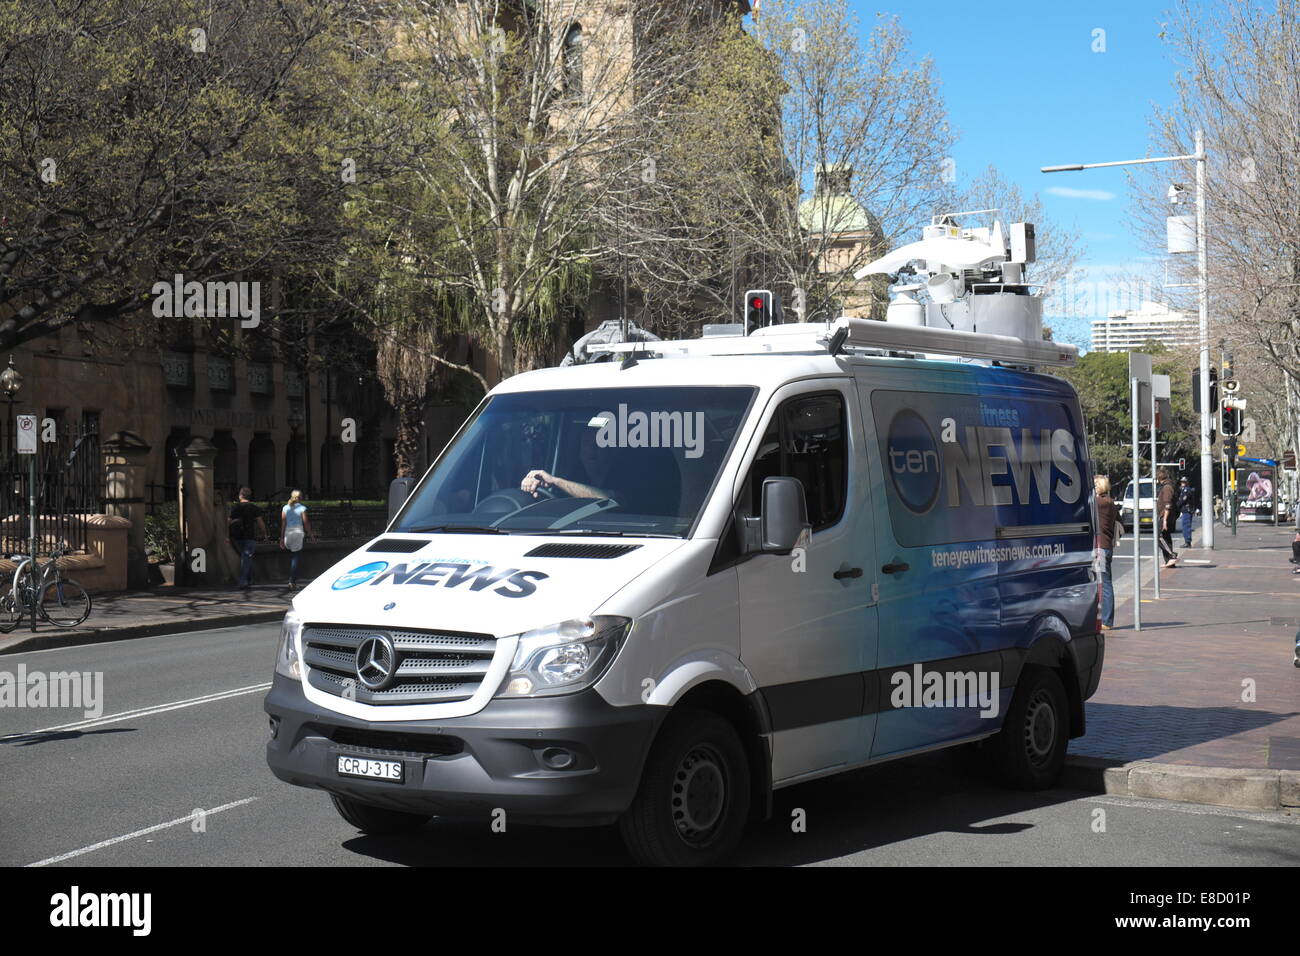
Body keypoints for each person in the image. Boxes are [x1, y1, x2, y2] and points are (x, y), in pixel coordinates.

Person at [227, 487, 267, 589]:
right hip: (249, 536)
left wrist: (227, 535)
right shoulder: (254, 508)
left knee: (245, 558)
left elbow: (228, 522)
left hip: (237, 537)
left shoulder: (235, 507)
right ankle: (243, 581)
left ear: (240, 496)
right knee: (246, 558)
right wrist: (264, 534)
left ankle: (248, 580)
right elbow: (260, 522)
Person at [1095, 475, 1121, 630]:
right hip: (1107, 546)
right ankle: (1106, 619)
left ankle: (1106, 620)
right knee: (1106, 582)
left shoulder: (1098, 503)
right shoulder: (1111, 502)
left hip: (1099, 547)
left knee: (1103, 584)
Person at [280, 489, 314, 590]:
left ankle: (292, 580)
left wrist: (281, 538)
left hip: (288, 533)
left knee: (293, 556)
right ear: (300, 497)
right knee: (296, 558)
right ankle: (292, 581)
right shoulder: (302, 508)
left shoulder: (285, 507)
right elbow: (306, 523)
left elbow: (283, 523)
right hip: (298, 533)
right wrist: (311, 534)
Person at [1156, 468, 1177, 568]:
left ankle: (1172, 556)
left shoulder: (1167, 488)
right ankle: (1169, 561)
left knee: (1159, 537)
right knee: (1166, 538)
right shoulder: (1167, 486)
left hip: (1165, 516)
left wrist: (1164, 520)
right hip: (1165, 516)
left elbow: (1168, 505)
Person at [1177, 476, 1196, 547]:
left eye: (1184, 482)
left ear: (1187, 483)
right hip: (1185, 510)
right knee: (1185, 526)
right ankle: (1187, 541)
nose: (1182, 483)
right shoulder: (1183, 490)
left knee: (1186, 526)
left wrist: (1176, 506)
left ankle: (1187, 542)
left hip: (1187, 510)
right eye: (1182, 482)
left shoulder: (1187, 490)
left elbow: (1183, 500)